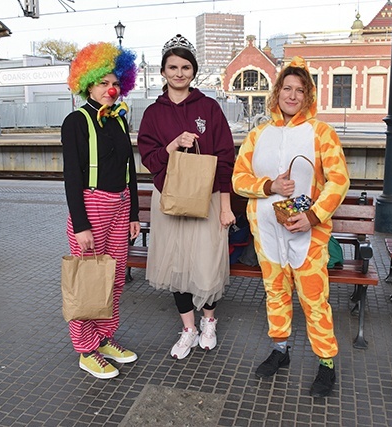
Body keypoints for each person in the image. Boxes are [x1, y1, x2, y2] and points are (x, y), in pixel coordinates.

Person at [232, 56, 350, 397]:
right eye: (287, 88)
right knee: (275, 293)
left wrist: (313, 216)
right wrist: (269, 187)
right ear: (277, 92)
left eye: (300, 90)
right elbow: (239, 179)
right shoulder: (257, 135)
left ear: (308, 96)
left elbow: (339, 180)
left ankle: (326, 363)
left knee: (315, 300)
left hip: (308, 235)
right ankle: (280, 350)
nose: (293, 95)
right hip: (268, 235)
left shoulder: (321, 133)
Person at [137, 34, 236, 360]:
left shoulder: (209, 107)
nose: (179, 73)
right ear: (163, 71)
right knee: (177, 267)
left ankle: (209, 322)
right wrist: (172, 146)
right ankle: (188, 329)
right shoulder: (153, 113)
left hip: (205, 200)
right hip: (171, 201)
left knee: (205, 264)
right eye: (172, 67)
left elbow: (225, 159)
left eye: (185, 67)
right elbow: (149, 159)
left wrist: (225, 208)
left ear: (193, 71)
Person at [61, 42, 140, 379]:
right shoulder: (75, 122)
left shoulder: (119, 121)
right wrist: (81, 225)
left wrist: (134, 212)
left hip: (120, 206)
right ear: (87, 83)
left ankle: (104, 338)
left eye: (114, 81)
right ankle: (85, 350)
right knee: (88, 284)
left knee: (114, 279)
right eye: (102, 81)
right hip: (91, 208)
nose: (110, 88)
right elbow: (70, 177)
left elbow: (130, 171)